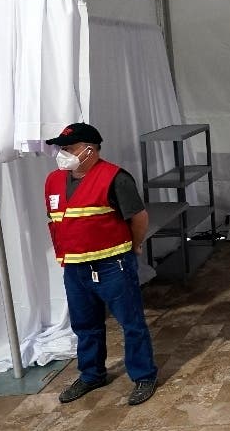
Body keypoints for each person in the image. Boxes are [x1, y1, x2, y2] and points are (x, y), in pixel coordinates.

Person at [44, 122, 159, 405]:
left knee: (131, 323)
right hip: (74, 268)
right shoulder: (53, 181)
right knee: (85, 325)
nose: (63, 153)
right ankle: (91, 375)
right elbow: (57, 221)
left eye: (69, 148)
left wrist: (134, 246)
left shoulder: (115, 178)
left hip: (112, 265)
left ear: (89, 150)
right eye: (62, 148)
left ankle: (144, 376)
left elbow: (139, 218)